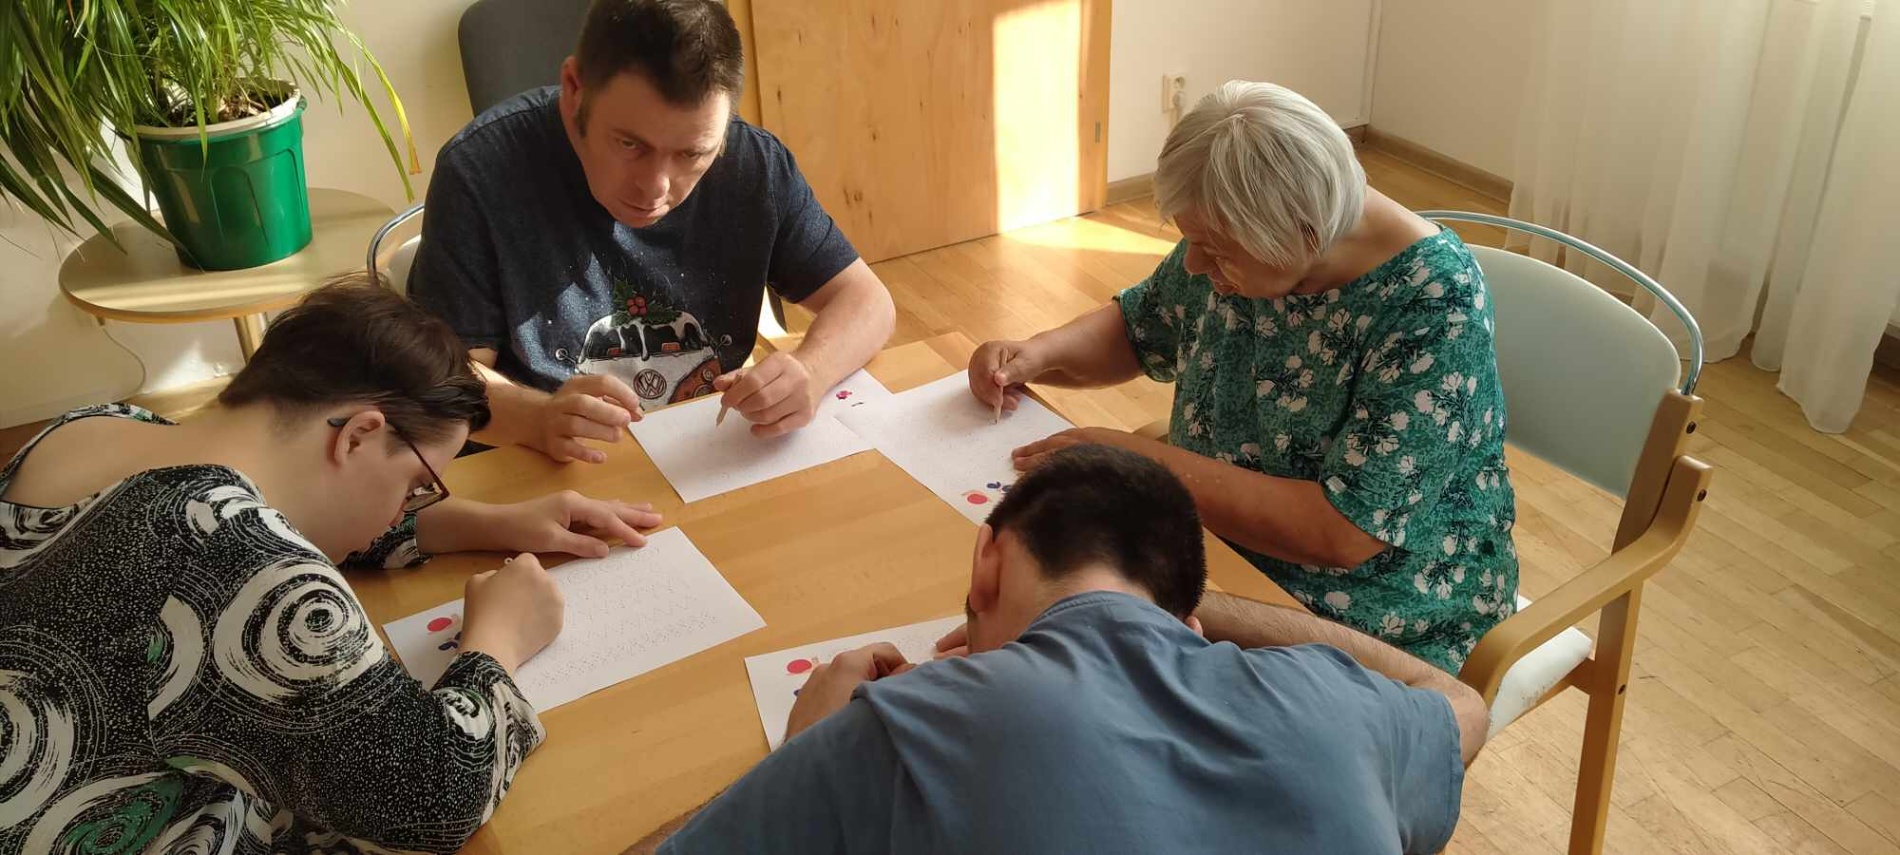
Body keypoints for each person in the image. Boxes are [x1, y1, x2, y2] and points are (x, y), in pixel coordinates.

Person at [0, 278, 656, 854]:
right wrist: (498, 639)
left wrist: (490, 523)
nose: (405, 507)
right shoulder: (243, 569)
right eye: (417, 485)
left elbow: (261, 515)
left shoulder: (90, 428)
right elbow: (434, 797)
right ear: (359, 435)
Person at [630, 444, 1487, 855]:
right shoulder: (1340, 710)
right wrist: (1194, 616)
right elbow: (1458, 699)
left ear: (987, 561)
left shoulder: (901, 730)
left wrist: (808, 746)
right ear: (1188, 619)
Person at [966, 81, 1519, 672]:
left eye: (1213, 248)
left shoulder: (1434, 304)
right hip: (1213, 546)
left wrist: (1132, 460)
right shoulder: (1245, 238)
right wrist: (1037, 353)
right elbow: (1142, 325)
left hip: (1376, 609)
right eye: (1191, 241)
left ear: (1305, 234)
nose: (1195, 263)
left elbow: (1341, 533)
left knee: (1082, 658)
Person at [409, 0, 895, 464]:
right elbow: (448, 377)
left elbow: (868, 301)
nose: (655, 188)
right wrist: (537, 417)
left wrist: (811, 369)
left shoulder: (755, 165)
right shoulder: (479, 172)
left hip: (702, 451)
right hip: (535, 463)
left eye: (692, 154)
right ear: (574, 88)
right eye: (629, 144)